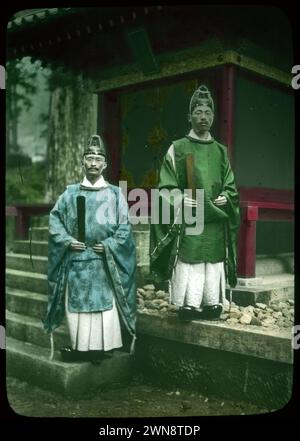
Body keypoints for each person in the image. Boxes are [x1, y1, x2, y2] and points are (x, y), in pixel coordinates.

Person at [43, 135, 136, 363]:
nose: (94, 163)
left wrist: (109, 245)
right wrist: (66, 241)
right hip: (76, 260)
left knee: (103, 307)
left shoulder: (115, 194)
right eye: (89, 158)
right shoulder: (70, 193)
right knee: (79, 309)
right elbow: (55, 221)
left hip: (103, 260)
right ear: (82, 162)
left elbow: (124, 228)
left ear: (105, 164)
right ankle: (81, 347)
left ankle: (103, 347)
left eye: (98, 159)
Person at [150, 85, 240, 321]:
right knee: (190, 259)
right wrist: (180, 199)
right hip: (190, 216)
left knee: (212, 260)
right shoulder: (177, 148)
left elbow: (230, 184)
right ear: (189, 116)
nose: (204, 117)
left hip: (214, 217)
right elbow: (165, 188)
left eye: (208, 113)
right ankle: (187, 304)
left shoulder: (221, 151)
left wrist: (227, 197)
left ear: (213, 116)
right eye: (198, 112)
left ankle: (212, 303)